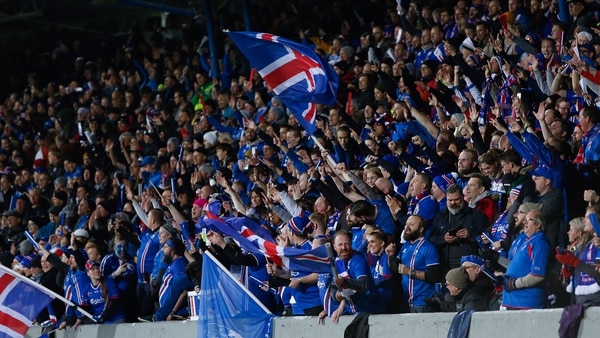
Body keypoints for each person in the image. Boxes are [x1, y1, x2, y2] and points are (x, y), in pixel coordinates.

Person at [388, 215, 442, 313]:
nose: (407, 227)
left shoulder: (429, 248)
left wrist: (410, 272)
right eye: (406, 224)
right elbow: (396, 269)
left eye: (412, 224)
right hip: (406, 302)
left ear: (421, 229)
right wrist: (391, 256)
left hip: (423, 303)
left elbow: (435, 276)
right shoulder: (405, 246)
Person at [500, 209, 551, 310]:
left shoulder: (540, 243)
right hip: (514, 301)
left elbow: (538, 275)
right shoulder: (527, 240)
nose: (525, 222)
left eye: (529, 219)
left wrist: (514, 284)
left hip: (526, 303)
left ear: (538, 225)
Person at [430, 184, 489, 270]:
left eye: (456, 199)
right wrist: (444, 239)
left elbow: (487, 240)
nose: (453, 203)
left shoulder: (477, 216)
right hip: (445, 265)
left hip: (470, 266)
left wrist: (470, 235)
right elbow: (431, 238)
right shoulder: (440, 216)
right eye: (450, 200)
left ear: (462, 196)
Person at [139, 237, 194, 321]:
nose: (162, 250)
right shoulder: (173, 263)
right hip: (170, 314)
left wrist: (172, 313)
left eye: (165, 247)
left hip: (176, 314)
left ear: (173, 250)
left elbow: (184, 291)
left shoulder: (178, 264)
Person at [331, 230, 382, 315]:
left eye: (346, 244)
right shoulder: (338, 261)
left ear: (351, 244)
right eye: (340, 244)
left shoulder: (357, 260)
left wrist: (344, 281)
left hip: (369, 312)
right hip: (354, 312)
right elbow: (333, 286)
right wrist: (337, 295)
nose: (343, 247)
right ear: (334, 247)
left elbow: (364, 284)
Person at [75, 260, 124, 327]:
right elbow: (86, 307)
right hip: (102, 321)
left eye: (97, 268)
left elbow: (115, 302)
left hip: (116, 319)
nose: (96, 270)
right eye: (92, 269)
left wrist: (104, 317)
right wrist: (76, 308)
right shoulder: (86, 289)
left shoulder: (109, 282)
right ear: (88, 273)